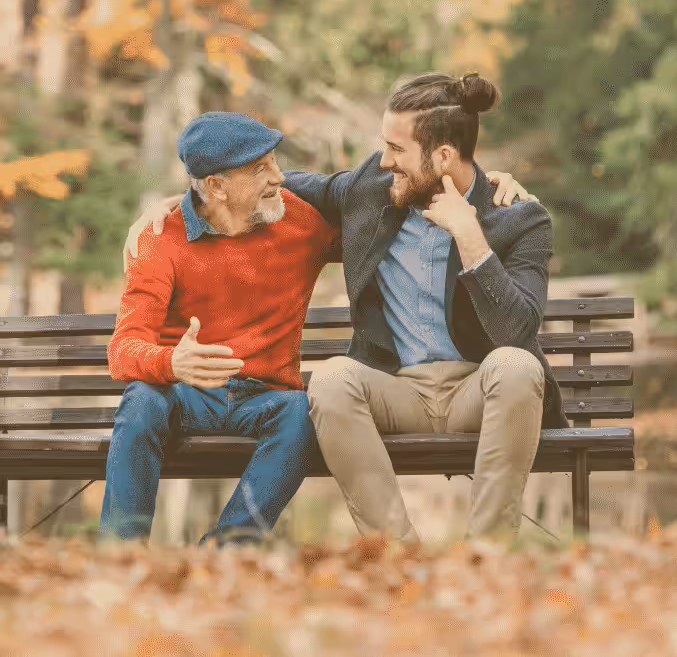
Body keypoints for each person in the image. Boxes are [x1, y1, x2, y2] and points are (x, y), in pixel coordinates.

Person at [125, 71, 556, 542]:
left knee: (517, 366)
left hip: (481, 389)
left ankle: (487, 552)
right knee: (331, 379)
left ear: (443, 157)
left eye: (396, 149)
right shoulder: (371, 189)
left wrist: (471, 237)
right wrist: (187, 200)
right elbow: (269, 186)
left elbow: (518, 333)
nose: (384, 161)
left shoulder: (519, 218)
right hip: (398, 390)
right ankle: (395, 553)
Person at [102, 111, 338, 544]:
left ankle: (228, 549)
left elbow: (374, 216)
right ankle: (122, 552)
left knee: (302, 413)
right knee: (141, 401)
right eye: (261, 168)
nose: (279, 176)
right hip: (185, 394)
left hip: (268, 397)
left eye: (274, 161)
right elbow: (124, 350)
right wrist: (172, 363)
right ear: (216, 186)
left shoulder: (302, 221)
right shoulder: (160, 237)